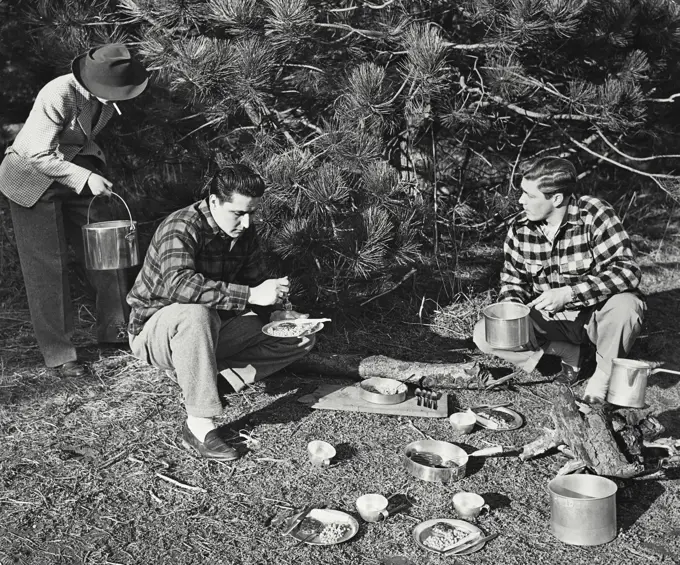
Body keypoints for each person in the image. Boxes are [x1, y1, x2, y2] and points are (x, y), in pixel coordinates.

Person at [126, 164, 316, 461]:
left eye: (252, 213)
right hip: (157, 334)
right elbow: (180, 287)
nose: (248, 223)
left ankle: (205, 380)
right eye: (238, 213)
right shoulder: (181, 226)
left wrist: (277, 313)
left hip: (210, 331)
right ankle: (198, 425)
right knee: (195, 313)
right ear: (214, 201)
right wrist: (253, 295)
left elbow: (255, 283)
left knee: (299, 337)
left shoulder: (244, 232)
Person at [0, 44, 149, 377]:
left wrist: (90, 172)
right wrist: (87, 177)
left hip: (73, 173)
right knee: (48, 268)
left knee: (106, 252)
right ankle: (59, 355)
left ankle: (115, 333)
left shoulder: (108, 102)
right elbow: (37, 153)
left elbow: (79, 141)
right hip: (30, 177)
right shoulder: (58, 93)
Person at [473, 157, 646, 403]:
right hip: (552, 321)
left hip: (596, 317)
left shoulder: (594, 214)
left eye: (529, 196)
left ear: (556, 199)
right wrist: (512, 312)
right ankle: (567, 352)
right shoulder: (520, 228)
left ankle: (602, 376)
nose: (521, 201)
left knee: (628, 306)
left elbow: (627, 271)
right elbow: (513, 281)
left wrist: (571, 293)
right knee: (485, 334)